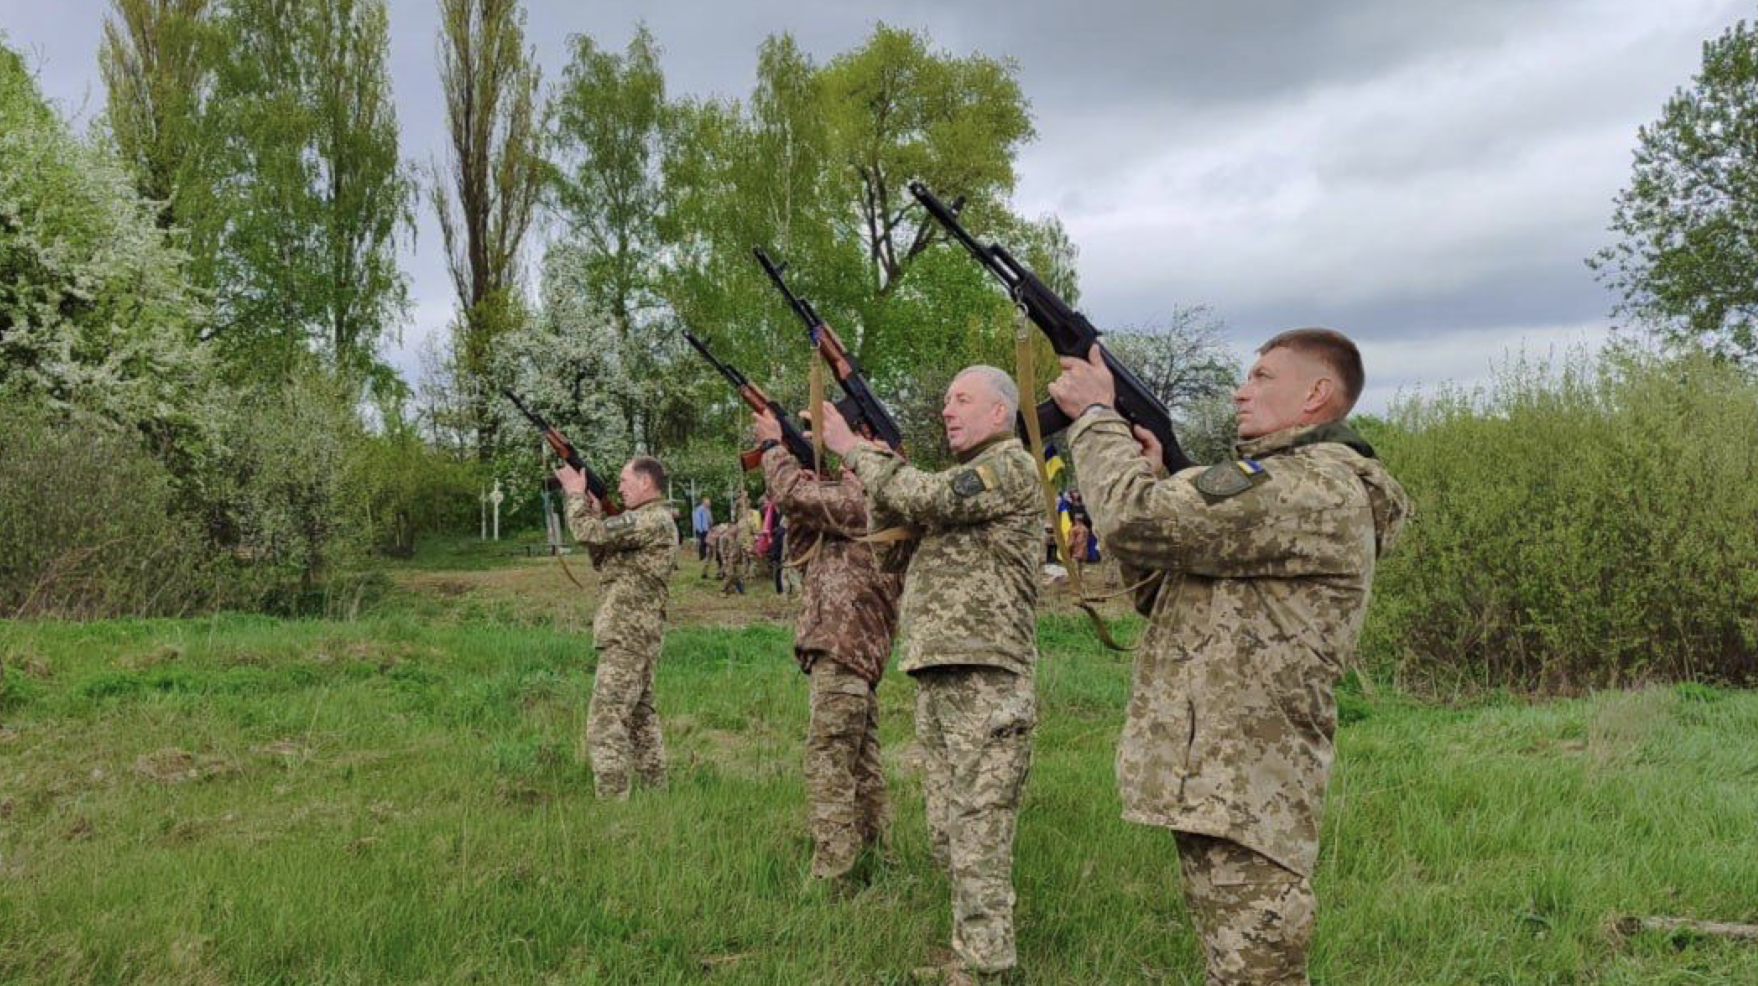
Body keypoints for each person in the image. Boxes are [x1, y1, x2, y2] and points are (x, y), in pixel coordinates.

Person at [1048, 328, 1411, 986]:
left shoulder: (1309, 487)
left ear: (1317, 395)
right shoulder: (1273, 486)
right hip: (1221, 772)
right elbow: (1163, 592)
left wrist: (1097, 417)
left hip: (1251, 782)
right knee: (1234, 965)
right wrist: (1155, 475)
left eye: (1264, 377)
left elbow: (1130, 521)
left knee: (1256, 972)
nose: (1242, 391)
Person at [818, 365, 1041, 982]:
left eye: (962, 400)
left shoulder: (1009, 467)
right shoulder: (954, 481)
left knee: (977, 835)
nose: (948, 410)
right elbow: (889, 552)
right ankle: (972, 950)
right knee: (947, 832)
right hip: (939, 672)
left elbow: (930, 498)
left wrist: (858, 451)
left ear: (999, 412)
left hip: (987, 676)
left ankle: (986, 969)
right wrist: (872, 481)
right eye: (945, 400)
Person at [754, 409, 902, 881]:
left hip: (844, 646)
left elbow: (793, 494)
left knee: (829, 761)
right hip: (851, 648)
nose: (841, 458)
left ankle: (832, 874)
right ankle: (876, 857)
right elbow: (801, 527)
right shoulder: (865, 496)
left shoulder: (872, 495)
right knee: (861, 762)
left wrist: (774, 447)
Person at [554, 455, 681, 800]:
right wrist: (594, 510)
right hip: (636, 634)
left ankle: (612, 808)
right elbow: (603, 556)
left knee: (605, 720)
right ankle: (657, 796)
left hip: (628, 634)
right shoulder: (647, 521)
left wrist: (576, 494)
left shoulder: (651, 519)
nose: (620, 487)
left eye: (625, 481)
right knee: (641, 720)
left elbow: (586, 533)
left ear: (645, 482)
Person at [719, 493, 753, 595]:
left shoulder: (736, 537)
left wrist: (747, 548)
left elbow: (740, 546)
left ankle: (738, 590)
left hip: (734, 559)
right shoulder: (724, 537)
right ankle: (722, 590)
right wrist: (724, 560)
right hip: (728, 559)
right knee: (730, 575)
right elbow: (721, 550)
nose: (736, 529)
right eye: (734, 527)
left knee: (736, 574)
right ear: (730, 527)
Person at [692, 497, 713, 562]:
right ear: (704, 502)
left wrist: (711, 526)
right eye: (707, 502)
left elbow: (710, 519)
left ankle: (706, 556)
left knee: (707, 542)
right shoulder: (700, 509)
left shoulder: (708, 509)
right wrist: (700, 529)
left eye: (709, 503)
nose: (709, 504)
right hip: (702, 529)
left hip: (707, 529)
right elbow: (698, 520)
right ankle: (702, 557)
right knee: (702, 543)